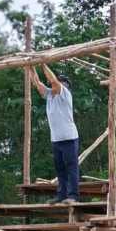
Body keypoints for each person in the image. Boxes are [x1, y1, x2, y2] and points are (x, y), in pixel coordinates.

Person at [32, 64, 79, 204]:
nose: (54, 84)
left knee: (71, 167)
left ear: (64, 85)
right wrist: (30, 67)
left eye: (58, 82)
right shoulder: (50, 96)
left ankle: (73, 196)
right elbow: (36, 83)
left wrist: (42, 63)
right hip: (56, 139)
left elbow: (53, 81)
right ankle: (62, 195)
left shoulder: (65, 94)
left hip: (69, 138)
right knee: (60, 169)